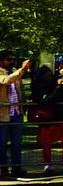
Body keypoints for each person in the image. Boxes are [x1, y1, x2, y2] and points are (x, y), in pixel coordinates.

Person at [0, 51, 31, 179]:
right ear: (1, 61)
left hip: (17, 114)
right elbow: (6, 81)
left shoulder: (15, 73)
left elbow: (20, 92)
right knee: (1, 145)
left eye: (13, 59)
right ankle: (3, 171)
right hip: (3, 115)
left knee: (17, 144)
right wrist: (21, 70)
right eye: (9, 59)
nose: (12, 61)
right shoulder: (3, 73)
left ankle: (16, 169)